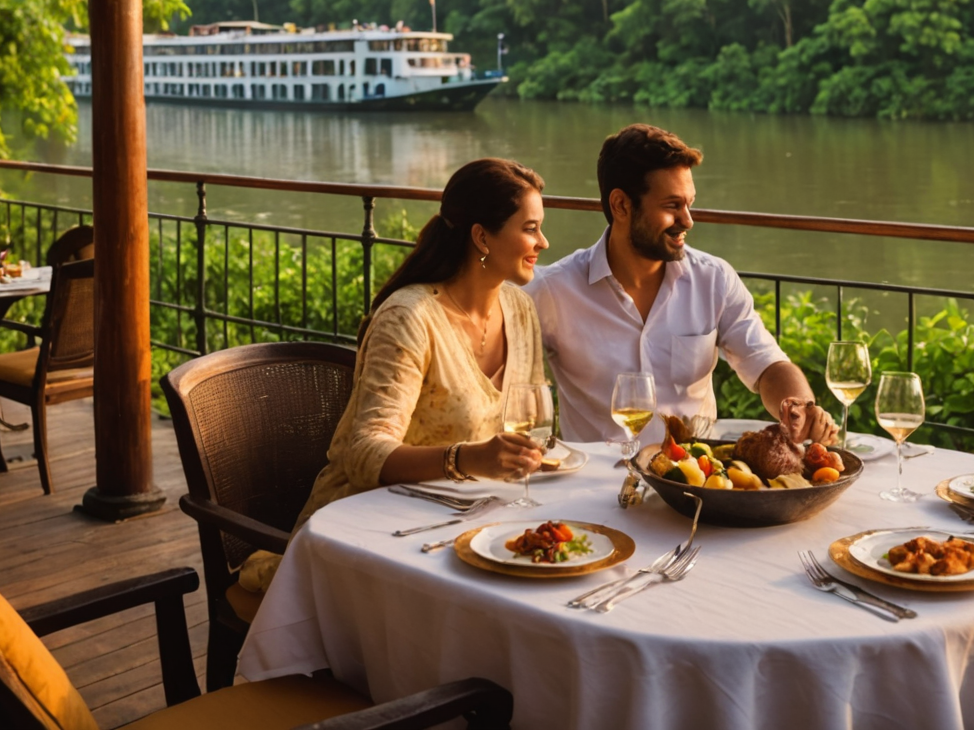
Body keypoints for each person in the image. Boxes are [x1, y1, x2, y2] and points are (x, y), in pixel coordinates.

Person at [237, 158, 551, 593]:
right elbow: (364, 455)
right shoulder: (410, 318)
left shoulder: (520, 310)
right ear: (481, 236)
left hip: (468, 524)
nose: (545, 242)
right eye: (530, 228)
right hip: (366, 533)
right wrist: (469, 458)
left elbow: (530, 419)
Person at [528, 124, 837, 448]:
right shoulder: (552, 291)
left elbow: (768, 365)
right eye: (672, 205)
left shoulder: (713, 279)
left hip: (692, 481)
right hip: (593, 488)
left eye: (689, 203)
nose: (688, 220)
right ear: (621, 205)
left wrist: (799, 407)